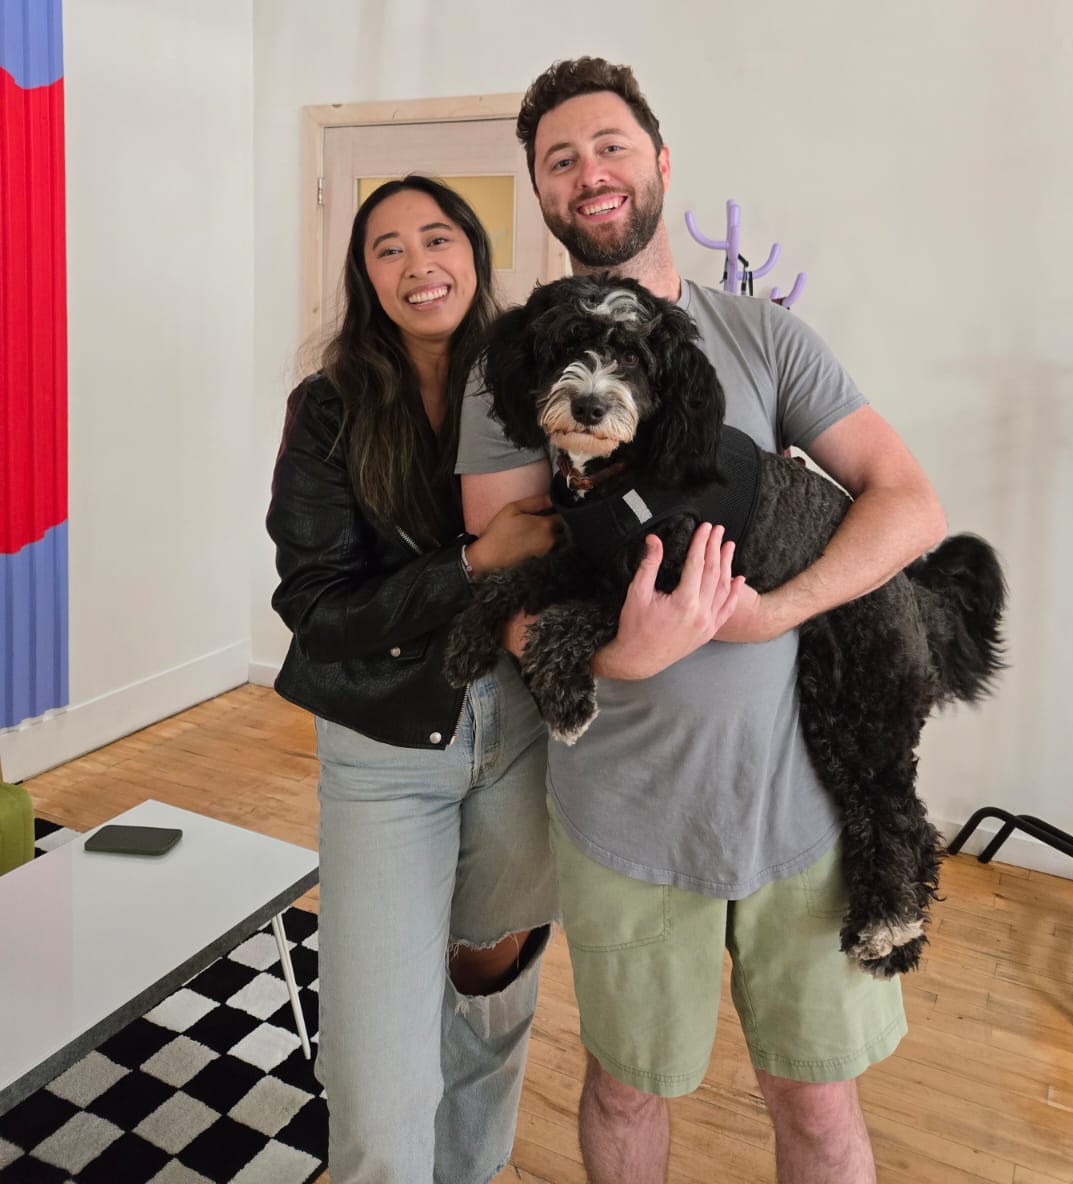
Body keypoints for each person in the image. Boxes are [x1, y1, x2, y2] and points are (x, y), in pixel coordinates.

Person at [456, 60, 947, 1184]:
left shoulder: (763, 335)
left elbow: (910, 503)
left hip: (795, 805)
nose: (591, 172)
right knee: (628, 1086)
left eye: (611, 146)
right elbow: (498, 576)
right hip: (621, 811)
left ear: (661, 162)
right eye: (561, 159)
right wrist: (618, 654)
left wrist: (773, 611)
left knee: (816, 1099)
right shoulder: (514, 366)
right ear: (541, 190)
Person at [267, 176, 564, 1184]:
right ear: (366, 276)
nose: (417, 263)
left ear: (474, 252)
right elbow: (316, 608)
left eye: (437, 237)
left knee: (489, 996)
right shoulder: (329, 408)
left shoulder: (535, 379)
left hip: (525, 732)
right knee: (378, 1065)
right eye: (386, 248)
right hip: (386, 746)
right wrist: (473, 564)